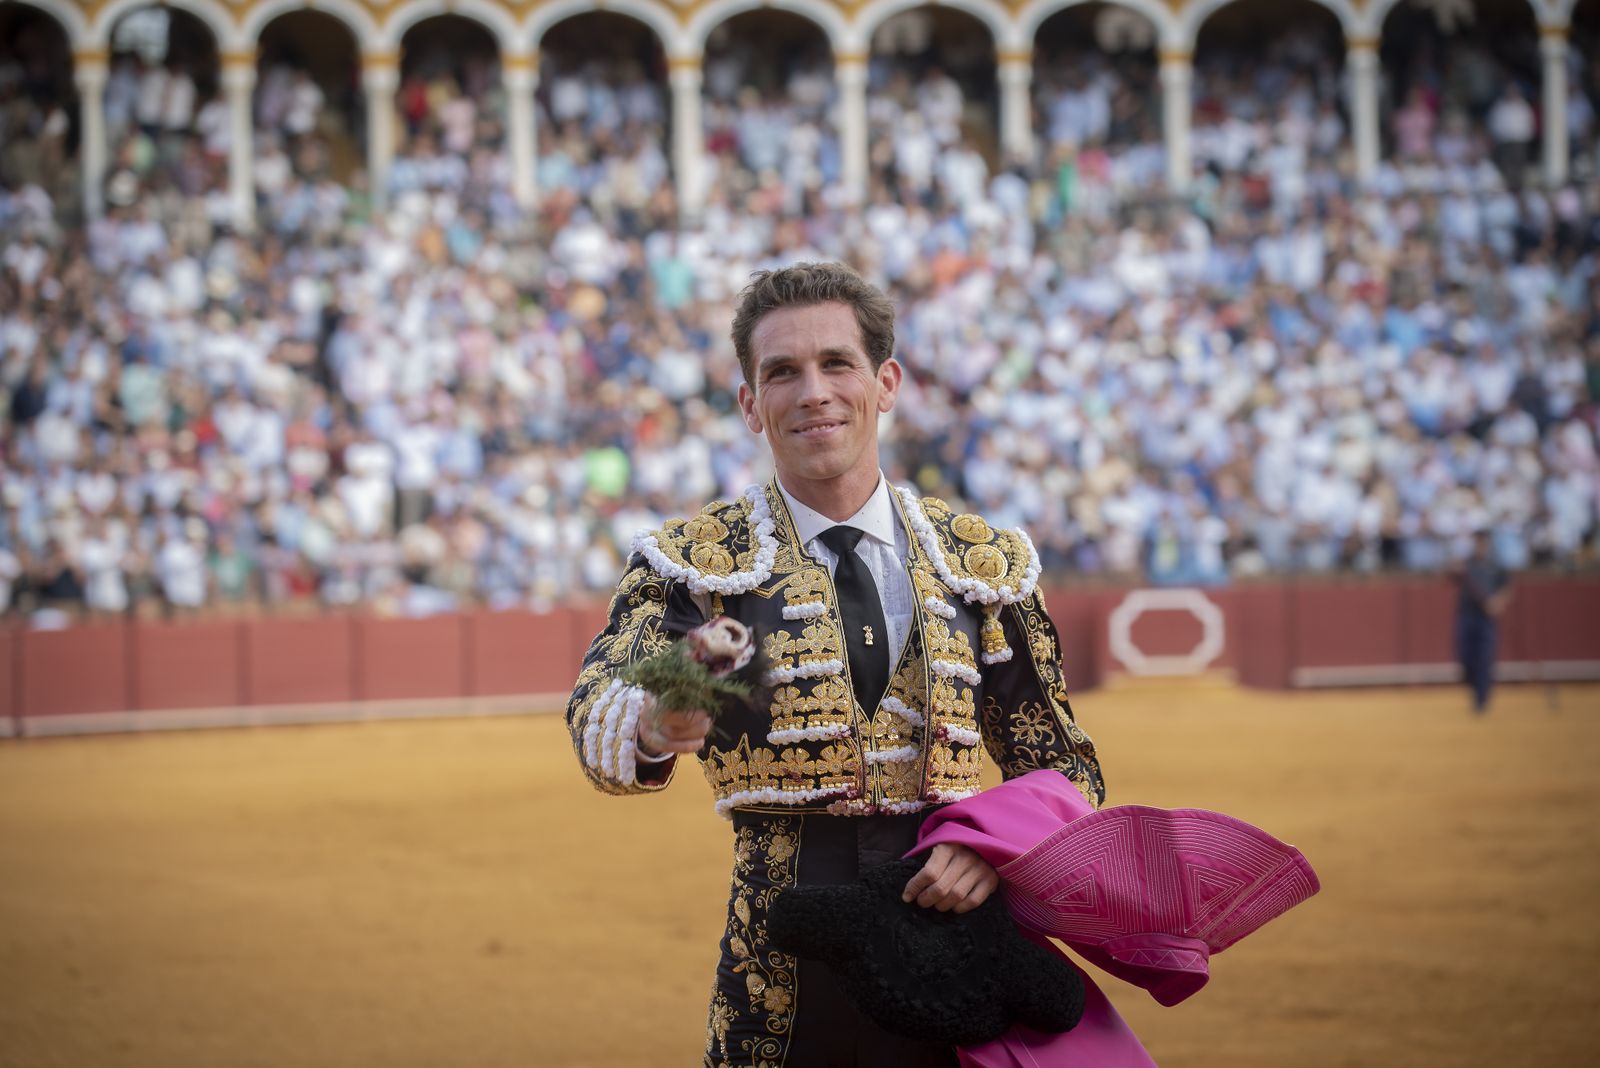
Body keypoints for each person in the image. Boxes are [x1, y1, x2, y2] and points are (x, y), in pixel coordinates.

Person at [566, 262, 1105, 1067]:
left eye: (836, 363)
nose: (812, 391)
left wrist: (991, 847)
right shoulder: (694, 566)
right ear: (752, 404)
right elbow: (601, 708)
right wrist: (656, 719)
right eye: (782, 372)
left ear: (885, 384)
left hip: (954, 948)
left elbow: (1065, 766)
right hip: (781, 978)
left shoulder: (982, 564)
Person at [1455, 530, 1512, 714]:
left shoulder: (1495, 565)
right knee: (1465, 656)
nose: (1480, 546)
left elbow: (1507, 586)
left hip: (1485, 618)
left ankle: (1482, 698)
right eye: (1477, 543)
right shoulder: (1467, 563)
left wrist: (1498, 602)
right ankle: (1475, 687)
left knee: (1484, 658)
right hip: (1466, 615)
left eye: (1483, 543)